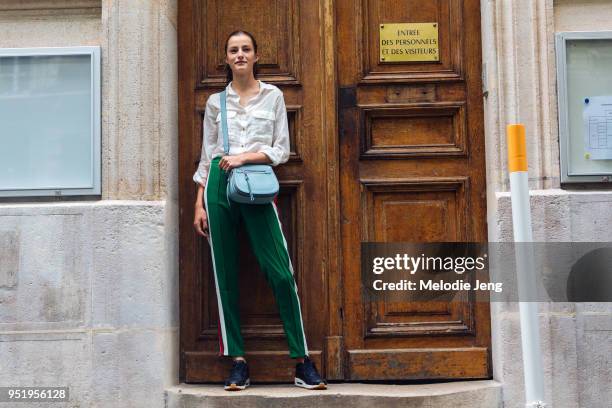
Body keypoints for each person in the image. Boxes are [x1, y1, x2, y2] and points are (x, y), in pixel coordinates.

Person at [192, 30, 327, 391]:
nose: (240, 55)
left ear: (255, 56)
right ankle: (237, 361)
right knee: (226, 274)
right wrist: (198, 202)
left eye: (246, 49)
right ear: (226, 58)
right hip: (219, 186)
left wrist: (245, 156)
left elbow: (280, 149)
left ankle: (301, 360)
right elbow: (208, 156)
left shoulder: (273, 97)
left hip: (255, 182)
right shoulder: (215, 103)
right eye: (233, 50)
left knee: (280, 272)